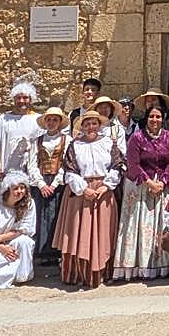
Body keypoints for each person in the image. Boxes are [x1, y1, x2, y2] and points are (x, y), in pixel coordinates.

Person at [54, 110, 123, 288]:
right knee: (80, 232)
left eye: (94, 123)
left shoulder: (109, 143)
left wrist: (105, 186)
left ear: (99, 125)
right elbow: (69, 170)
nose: (90, 127)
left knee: (103, 232)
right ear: (82, 127)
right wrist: (83, 189)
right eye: (87, 124)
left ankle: (102, 273)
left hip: (103, 193)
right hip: (81, 194)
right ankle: (79, 273)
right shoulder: (75, 145)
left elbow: (117, 165)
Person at [112, 103, 169, 281]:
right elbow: (133, 164)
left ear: (163, 118)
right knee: (139, 225)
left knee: (162, 224)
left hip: (163, 186)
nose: (155, 120)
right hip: (141, 186)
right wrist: (149, 183)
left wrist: (163, 181)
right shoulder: (137, 138)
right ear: (146, 119)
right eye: (151, 116)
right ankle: (138, 266)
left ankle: (165, 265)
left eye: (158, 117)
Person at [27, 106, 69, 266]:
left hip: (59, 181)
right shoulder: (37, 140)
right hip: (42, 180)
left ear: (59, 123)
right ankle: (42, 251)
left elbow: (66, 163)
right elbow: (32, 164)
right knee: (40, 215)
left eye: (55, 120)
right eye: (49, 120)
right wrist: (41, 184)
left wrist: (56, 182)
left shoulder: (67, 140)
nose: (51, 123)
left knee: (58, 214)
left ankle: (56, 251)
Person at [0, 80, 41, 181]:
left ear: (31, 99)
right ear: (14, 100)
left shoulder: (39, 120)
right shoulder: (4, 119)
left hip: (32, 174)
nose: (21, 101)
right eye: (18, 98)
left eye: (25, 98)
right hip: (6, 174)